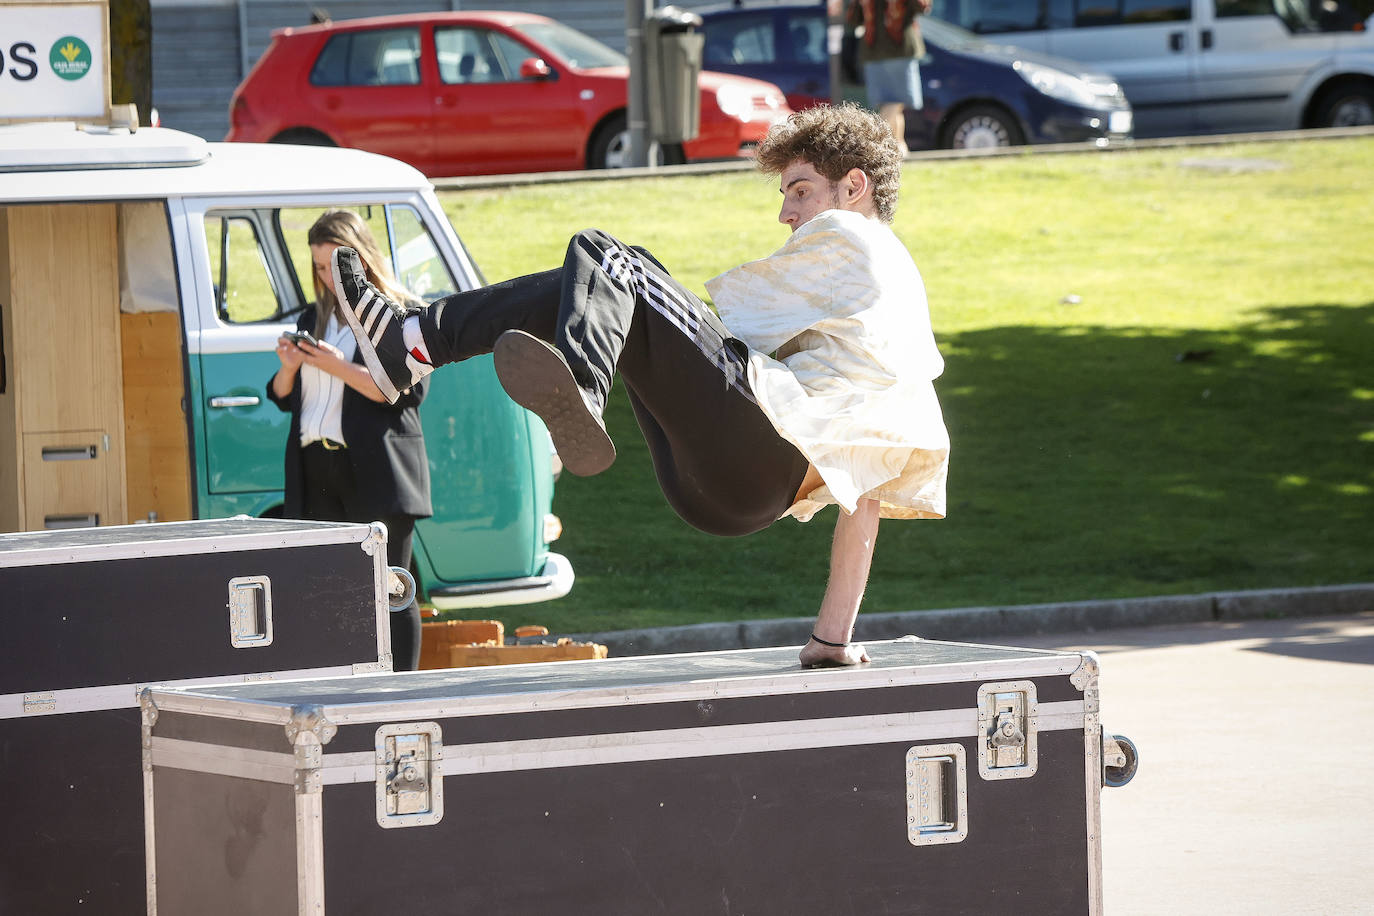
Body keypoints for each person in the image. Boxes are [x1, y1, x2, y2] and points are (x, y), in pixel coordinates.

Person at [333, 103, 948, 668]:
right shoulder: (906, 323)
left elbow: (722, 324)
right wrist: (831, 638)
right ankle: (416, 343)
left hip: (746, 452)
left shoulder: (848, 236)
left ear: (855, 186)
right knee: (607, 290)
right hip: (741, 500)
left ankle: (450, 350)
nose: (785, 213)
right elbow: (865, 499)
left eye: (801, 191)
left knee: (612, 263)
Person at [266, 209, 432, 670]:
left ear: (361, 258)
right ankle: (346, 686)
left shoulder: (399, 312)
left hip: (375, 469)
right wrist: (291, 366)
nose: (327, 276)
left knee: (390, 586)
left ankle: (400, 691)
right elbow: (281, 396)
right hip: (315, 468)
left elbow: (409, 392)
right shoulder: (313, 315)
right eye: (319, 267)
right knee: (329, 589)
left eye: (336, 265)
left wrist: (336, 365)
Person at [846, 0, 931, 156]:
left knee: (891, 103)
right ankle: (877, 141)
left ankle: (898, 145)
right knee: (897, 100)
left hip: (874, 51)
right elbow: (922, 7)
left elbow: (853, 19)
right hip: (899, 50)